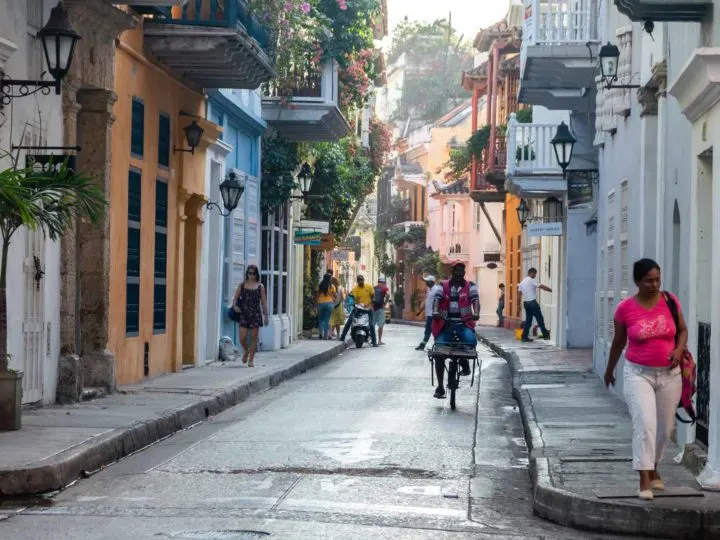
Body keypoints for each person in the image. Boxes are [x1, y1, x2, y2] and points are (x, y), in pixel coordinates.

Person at [604, 258, 686, 500]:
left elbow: (682, 330)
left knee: (665, 429)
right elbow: (619, 342)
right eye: (649, 280)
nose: (654, 284)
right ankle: (643, 480)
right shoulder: (625, 309)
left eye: (657, 279)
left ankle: (653, 468)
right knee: (645, 425)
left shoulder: (670, 301)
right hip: (638, 374)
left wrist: (679, 350)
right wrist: (610, 370)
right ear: (637, 281)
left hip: (670, 375)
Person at [430, 262, 480, 399]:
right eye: (456, 271)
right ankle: (440, 387)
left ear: (464, 273)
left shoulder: (470, 286)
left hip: (464, 324)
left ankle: (465, 363)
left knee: (470, 342)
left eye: (461, 271)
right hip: (445, 325)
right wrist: (435, 311)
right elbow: (437, 299)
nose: (459, 274)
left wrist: (476, 313)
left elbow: (475, 300)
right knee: (438, 352)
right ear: (452, 272)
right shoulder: (443, 285)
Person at [231, 264, 269, 367]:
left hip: (256, 314)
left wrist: (266, 316)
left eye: (253, 273)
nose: (251, 275)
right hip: (244, 313)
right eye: (249, 273)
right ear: (247, 274)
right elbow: (235, 298)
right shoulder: (242, 285)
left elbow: (264, 302)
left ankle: (251, 360)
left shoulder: (260, 287)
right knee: (242, 337)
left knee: (253, 337)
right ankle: (246, 351)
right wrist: (234, 306)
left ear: (256, 275)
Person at [339, 275, 378, 347]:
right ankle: (342, 336)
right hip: (358, 308)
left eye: (362, 280)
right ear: (357, 281)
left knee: (371, 324)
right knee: (349, 322)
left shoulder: (369, 287)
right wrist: (352, 302)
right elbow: (352, 297)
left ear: (364, 280)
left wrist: (372, 304)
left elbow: (373, 296)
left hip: (368, 309)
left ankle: (374, 341)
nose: (361, 281)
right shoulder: (355, 289)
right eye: (359, 280)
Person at [518, 268, 552, 342]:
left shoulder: (522, 282)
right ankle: (546, 335)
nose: (535, 275)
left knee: (528, 321)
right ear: (532, 273)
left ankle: (524, 337)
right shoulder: (531, 280)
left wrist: (518, 305)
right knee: (540, 319)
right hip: (532, 303)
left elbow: (519, 294)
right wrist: (551, 290)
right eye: (535, 274)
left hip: (526, 303)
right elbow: (541, 286)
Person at [415, 275, 437, 351]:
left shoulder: (436, 290)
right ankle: (423, 345)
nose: (426, 282)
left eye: (427, 281)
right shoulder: (429, 290)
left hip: (433, 314)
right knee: (428, 330)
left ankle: (433, 346)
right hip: (429, 314)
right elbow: (427, 302)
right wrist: (420, 311)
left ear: (432, 282)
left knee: (432, 330)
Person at [316, 273, 337, 340]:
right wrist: (333, 298)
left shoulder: (320, 285)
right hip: (329, 303)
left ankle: (320, 334)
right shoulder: (332, 286)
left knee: (321, 319)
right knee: (327, 320)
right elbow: (335, 295)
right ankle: (325, 335)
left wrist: (316, 302)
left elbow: (317, 295)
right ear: (329, 279)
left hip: (321, 303)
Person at [372, 276, 390, 345]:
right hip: (381, 308)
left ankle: (373, 340)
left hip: (374, 308)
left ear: (378, 282)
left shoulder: (374, 288)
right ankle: (379, 340)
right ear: (384, 282)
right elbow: (388, 295)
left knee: (372, 324)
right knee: (381, 325)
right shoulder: (384, 288)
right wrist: (385, 303)